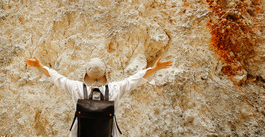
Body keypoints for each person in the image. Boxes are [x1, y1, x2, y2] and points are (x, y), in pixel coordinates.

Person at [24, 56, 173, 137]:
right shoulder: (115, 89)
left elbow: (57, 78)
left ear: (86, 74)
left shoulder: (76, 88)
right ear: (105, 74)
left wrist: (39, 66)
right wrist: (155, 69)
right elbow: (135, 79)